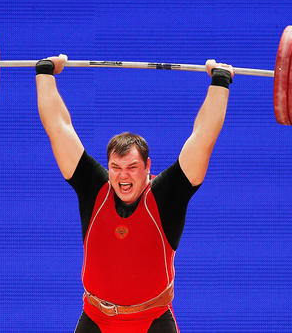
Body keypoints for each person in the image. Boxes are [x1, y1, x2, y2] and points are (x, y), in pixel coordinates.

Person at [36, 54, 233, 333]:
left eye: (132, 167)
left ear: (148, 167)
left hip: (152, 320)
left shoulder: (166, 195)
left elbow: (202, 138)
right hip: (96, 319)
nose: (123, 176)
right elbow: (58, 128)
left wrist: (220, 81)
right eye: (115, 168)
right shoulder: (95, 189)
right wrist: (45, 74)